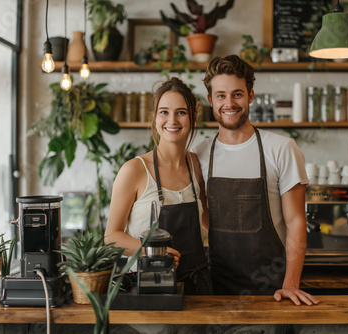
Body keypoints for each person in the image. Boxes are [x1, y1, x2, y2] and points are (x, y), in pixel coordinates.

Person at [193, 55, 319, 306]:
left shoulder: (281, 148)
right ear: (210, 100)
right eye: (221, 96)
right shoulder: (199, 154)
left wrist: (290, 284)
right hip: (216, 290)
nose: (229, 103)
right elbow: (207, 219)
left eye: (237, 94)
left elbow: (296, 222)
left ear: (250, 95)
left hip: (273, 291)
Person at [105, 77, 212, 295]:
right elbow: (111, 237)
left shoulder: (196, 165)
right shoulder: (135, 170)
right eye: (164, 112)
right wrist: (152, 251)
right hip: (149, 286)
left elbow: (208, 223)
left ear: (192, 118)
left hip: (197, 287)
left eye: (181, 112)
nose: (172, 120)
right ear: (154, 118)